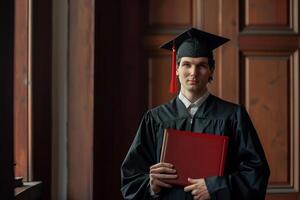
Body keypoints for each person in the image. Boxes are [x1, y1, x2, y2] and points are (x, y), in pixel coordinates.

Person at [121, 28, 270, 200]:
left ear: (211, 70)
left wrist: (217, 188)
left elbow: (256, 173)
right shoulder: (155, 119)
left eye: (201, 65)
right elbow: (130, 178)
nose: (193, 72)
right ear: (176, 69)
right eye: (187, 64)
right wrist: (151, 185)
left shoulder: (233, 116)